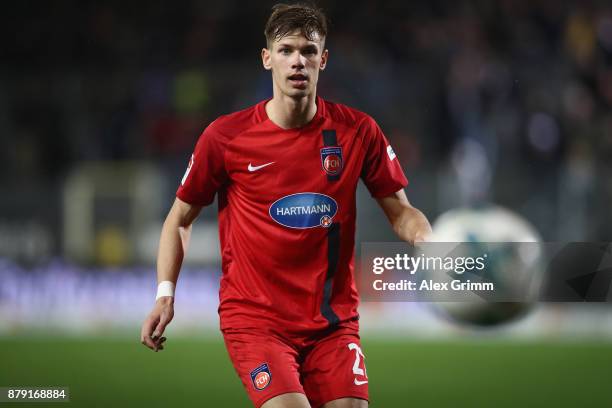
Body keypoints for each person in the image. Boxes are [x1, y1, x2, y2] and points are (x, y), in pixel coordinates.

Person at [140, 3, 432, 407]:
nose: (298, 61)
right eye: (286, 50)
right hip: (256, 321)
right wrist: (165, 294)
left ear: (323, 60)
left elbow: (401, 212)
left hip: (332, 323)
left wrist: (432, 244)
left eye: (309, 51)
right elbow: (179, 218)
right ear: (267, 59)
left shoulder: (357, 131)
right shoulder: (226, 137)